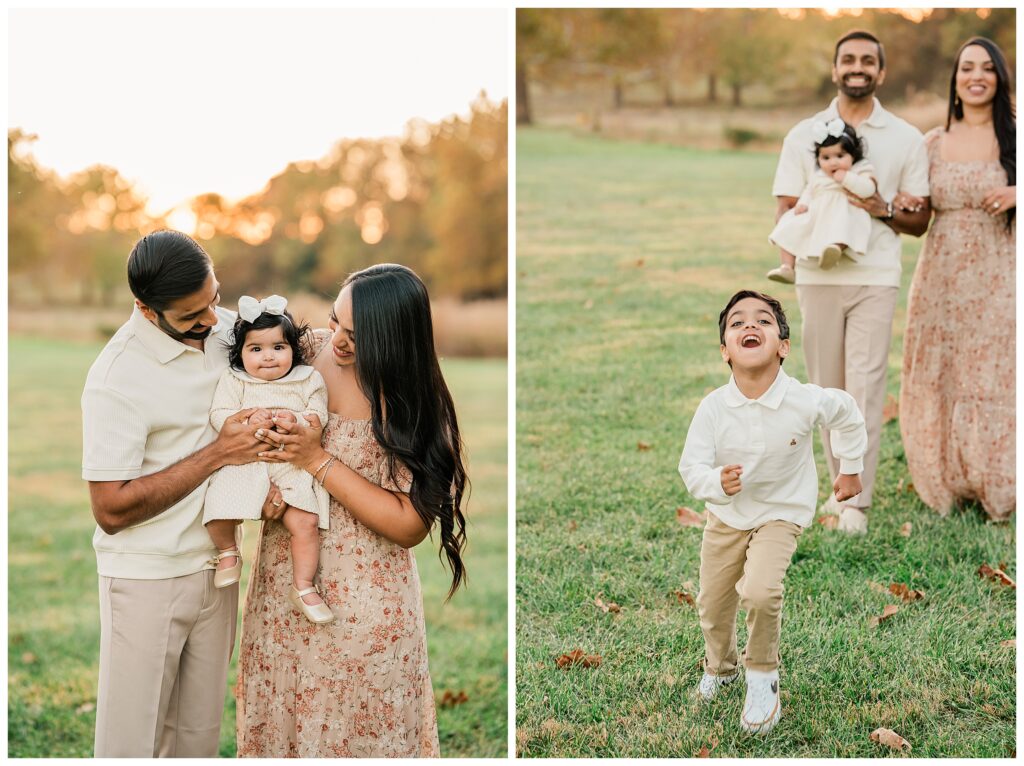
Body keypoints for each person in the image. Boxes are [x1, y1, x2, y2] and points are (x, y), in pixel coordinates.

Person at [235, 263, 468, 757]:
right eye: (335, 320)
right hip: (284, 590)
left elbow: (409, 526)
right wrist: (264, 488)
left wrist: (316, 460)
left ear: (393, 339)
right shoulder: (303, 352)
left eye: (355, 335)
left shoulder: (413, 405)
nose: (336, 339)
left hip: (363, 609)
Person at [81, 230, 276, 757]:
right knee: (132, 741)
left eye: (213, 298)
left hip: (219, 566)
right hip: (146, 576)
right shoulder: (116, 379)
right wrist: (219, 453)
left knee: (197, 739)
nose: (212, 320)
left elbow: (290, 348)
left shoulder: (224, 330)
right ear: (147, 310)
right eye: (192, 315)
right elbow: (110, 509)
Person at [679, 290, 867, 735]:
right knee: (712, 602)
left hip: (781, 513)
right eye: (737, 322)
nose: (750, 326)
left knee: (761, 590)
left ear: (783, 345)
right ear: (725, 349)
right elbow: (691, 467)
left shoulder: (805, 399)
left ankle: (761, 676)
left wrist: (852, 469)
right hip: (726, 516)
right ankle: (720, 668)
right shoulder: (713, 408)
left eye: (763, 321)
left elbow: (848, 414)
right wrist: (715, 483)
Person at [771, 29, 931, 533]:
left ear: (881, 73)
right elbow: (785, 206)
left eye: (868, 60)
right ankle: (837, 490)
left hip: (876, 275)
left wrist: (878, 207)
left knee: (864, 388)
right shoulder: (804, 134)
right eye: (848, 59)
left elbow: (919, 219)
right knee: (826, 390)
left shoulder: (906, 137)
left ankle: (855, 503)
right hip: (818, 278)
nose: (857, 66)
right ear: (835, 69)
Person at [897, 37, 1015, 520]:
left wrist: (1018, 192)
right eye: (967, 67)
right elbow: (916, 215)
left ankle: (998, 480)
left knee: (995, 373)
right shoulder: (932, 142)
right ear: (955, 78)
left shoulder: (1017, 134)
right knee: (941, 371)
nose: (976, 76)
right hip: (941, 275)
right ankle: (944, 480)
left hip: (999, 272)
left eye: (987, 67)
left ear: (1000, 77)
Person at [203, 295, 334, 624]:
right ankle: (227, 552)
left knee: (305, 524)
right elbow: (220, 416)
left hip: (291, 466)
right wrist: (246, 419)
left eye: (279, 347)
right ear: (240, 354)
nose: (268, 357)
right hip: (246, 463)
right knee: (217, 508)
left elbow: (318, 416)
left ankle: (303, 585)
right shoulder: (235, 380)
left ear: (293, 349)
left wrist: (299, 421)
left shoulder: (307, 379)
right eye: (256, 349)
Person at [767, 120, 877, 283]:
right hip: (818, 211)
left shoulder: (859, 170)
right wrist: (803, 203)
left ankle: (834, 250)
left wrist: (847, 178)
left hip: (844, 210)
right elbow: (810, 190)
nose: (833, 162)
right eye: (826, 157)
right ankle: (787, 267)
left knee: (842, 225)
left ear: (853, 155)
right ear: (818, 158)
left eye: (840, 156)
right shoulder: (819, 175)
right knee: (789, 224)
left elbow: (868, 189)